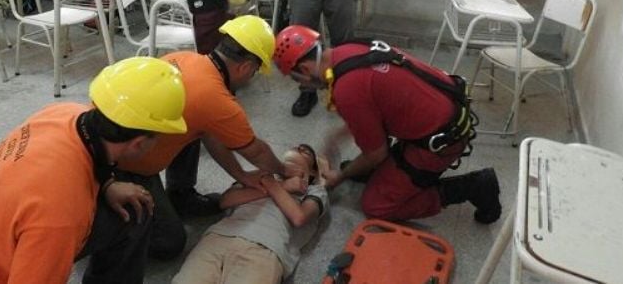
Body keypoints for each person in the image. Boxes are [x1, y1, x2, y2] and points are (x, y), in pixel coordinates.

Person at [0, 57, 188, 284]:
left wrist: (107, 184)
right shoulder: (61, 211)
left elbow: (86, 156)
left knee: (134, 210)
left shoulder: (64, 114)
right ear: (139, 143)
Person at [109, 15, 295, 263]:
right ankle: (106, 220)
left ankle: (180, 196)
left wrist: (241, 175)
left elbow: (210, 133)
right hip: (122, 168)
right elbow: (257, 152)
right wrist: (285, 171)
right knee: (170, 243)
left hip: (117, 144)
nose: (252, 76)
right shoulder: (218, 100)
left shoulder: (187, 59)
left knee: (194, 124)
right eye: (255, 71)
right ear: (246, 67)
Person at [273, 25, 502, 224]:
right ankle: (386, 171)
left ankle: (474, 186)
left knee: (376, 205)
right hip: (446, 106)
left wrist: (340, 176)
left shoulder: (347, 90)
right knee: (364, 167)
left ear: (304, 70)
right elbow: (375, 103)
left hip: (440, 141)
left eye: (296, 79)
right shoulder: (348, 49)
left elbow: (376, 153)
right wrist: (338, 137)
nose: (300, 85)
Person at [172, 144, 329, 284]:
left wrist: (271, 184)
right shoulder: (259, 174)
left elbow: (299, 217)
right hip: (219, 237)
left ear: (313, 171)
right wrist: (282, 185)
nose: (298, 149)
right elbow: (225, 200)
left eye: (306, 152)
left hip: (264, 249)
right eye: (295, 148)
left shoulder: (314, 191)